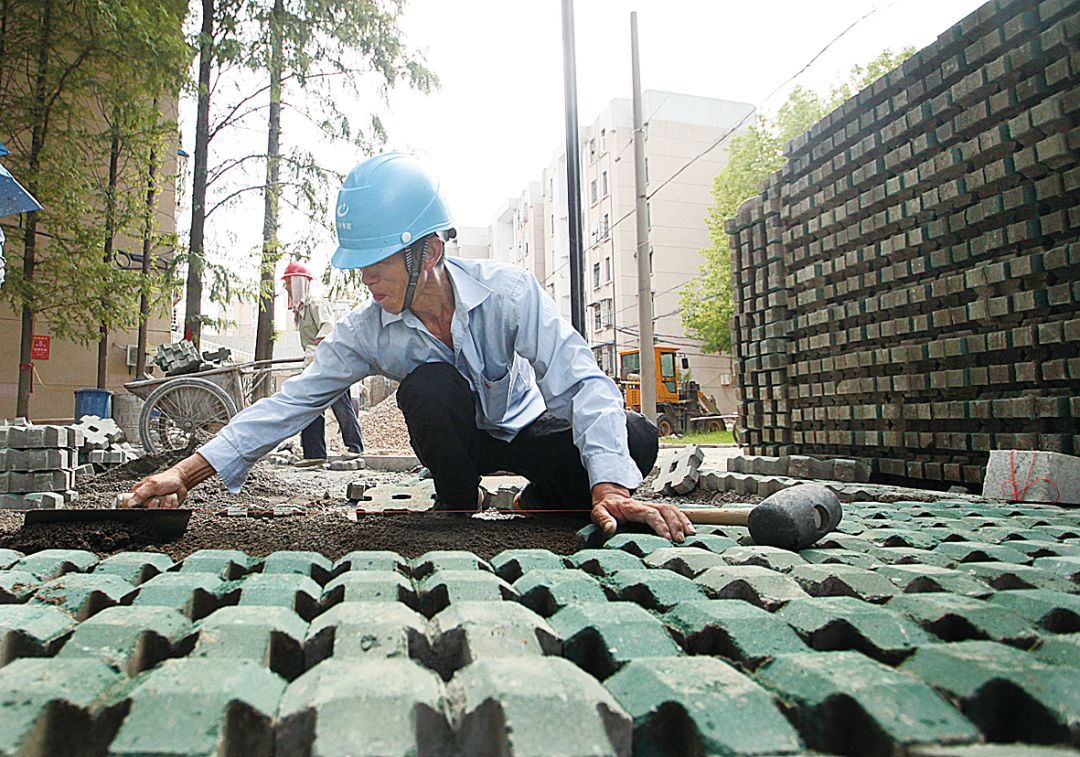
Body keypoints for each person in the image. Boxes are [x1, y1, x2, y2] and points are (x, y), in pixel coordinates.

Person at [129, 153, 693, 542]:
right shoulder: (364, 329)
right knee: (426, 385)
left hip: (524, 432)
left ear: (425, 254)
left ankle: (544, 499)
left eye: (375, 266)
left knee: (633, 437)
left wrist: (610, 487)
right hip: (457, 448)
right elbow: (292, 403)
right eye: (360, 268)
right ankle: (456, 508)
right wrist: (185, 474)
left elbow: (581, 380)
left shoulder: (510, 292)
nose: (366, 282)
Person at [280, 260, 365, 464]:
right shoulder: (301, 309)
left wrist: (314, 348)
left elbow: (328, 328)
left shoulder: (316, 303)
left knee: (340, 404)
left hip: (332, 362)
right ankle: (314, 453)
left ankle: (355, 448)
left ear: (299, 283)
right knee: (310, 405)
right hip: (316, 363)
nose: (286, 287)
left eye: (289, 283)